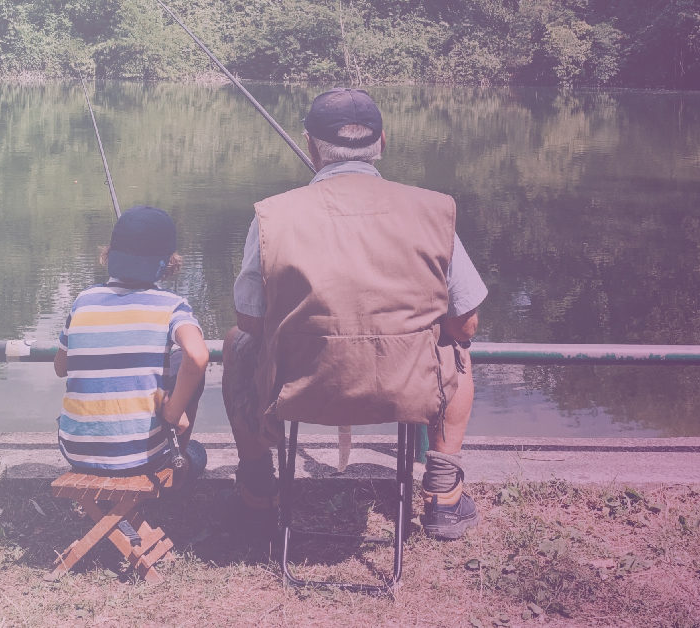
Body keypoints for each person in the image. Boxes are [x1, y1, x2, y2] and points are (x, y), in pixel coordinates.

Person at [222, 88, 487, 540]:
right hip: (408, 389)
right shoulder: (433, 210)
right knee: (457, 352)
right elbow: (466, 324)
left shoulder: (272, 216)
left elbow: (249, 320)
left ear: (309, 145)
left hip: (298, 390)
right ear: (383, 142)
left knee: (235, 344)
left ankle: (257, 487)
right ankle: (443, 495)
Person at [54, 205, 209, 480]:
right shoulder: (173, 306)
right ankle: (178, 460)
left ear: (109, 254)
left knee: (171, 363)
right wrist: (173, 413)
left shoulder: (83, 301)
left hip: (75, 451)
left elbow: (60, 367)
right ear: (168, 262)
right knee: (198, 453)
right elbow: (197, 356)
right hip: (142, 459)